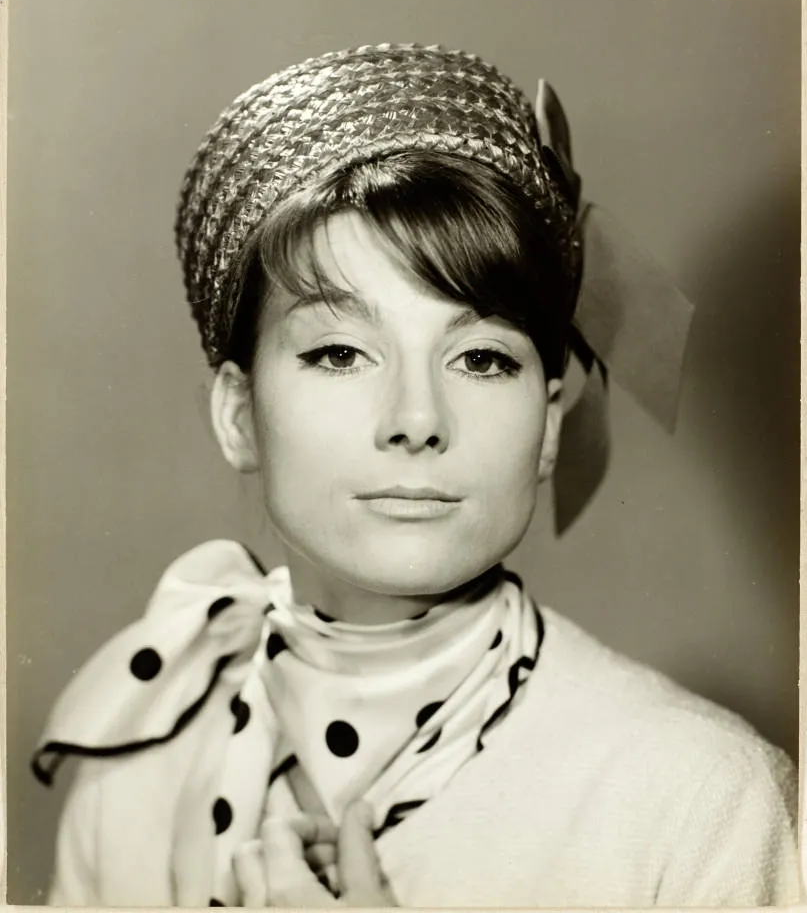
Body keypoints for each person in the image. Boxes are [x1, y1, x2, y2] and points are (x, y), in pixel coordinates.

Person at [33, 44, 800, 907]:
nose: (417, 420)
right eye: (338, 351)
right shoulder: (131, 759)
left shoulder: (701, 796)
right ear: (239, 414)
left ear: (547, 426)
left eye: (479, 359)